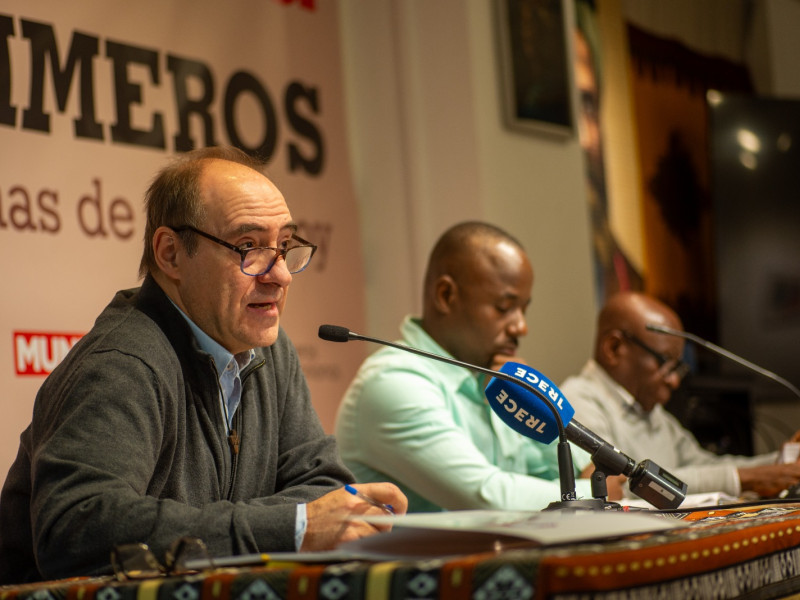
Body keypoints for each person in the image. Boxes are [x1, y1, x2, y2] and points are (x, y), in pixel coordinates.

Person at [0, 146, 406, 584]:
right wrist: (290, 526)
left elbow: (325, 487)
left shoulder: (269, 350)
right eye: (248, 247)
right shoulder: (122, 363)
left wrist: (289, 524)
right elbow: (78, 527)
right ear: (171, 254)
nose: (280, 275)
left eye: (284, 246)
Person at [334, 221, 621, 512]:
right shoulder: (393, 382)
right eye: (504, 307)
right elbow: (489, 498)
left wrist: (531, 401)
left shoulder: (491, 378)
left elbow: (564, 474)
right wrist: (594, 492)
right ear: (446, 296)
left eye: (524, 309)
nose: (521, 327)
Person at [560, 291, 800, 499]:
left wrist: (781, 462)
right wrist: (743, 479)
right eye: (665, 363)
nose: (675, 381)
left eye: (678, 367)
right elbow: (618, 485)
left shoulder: (653, 413)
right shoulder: (576, 401)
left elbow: (706, 466)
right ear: (614, 348)